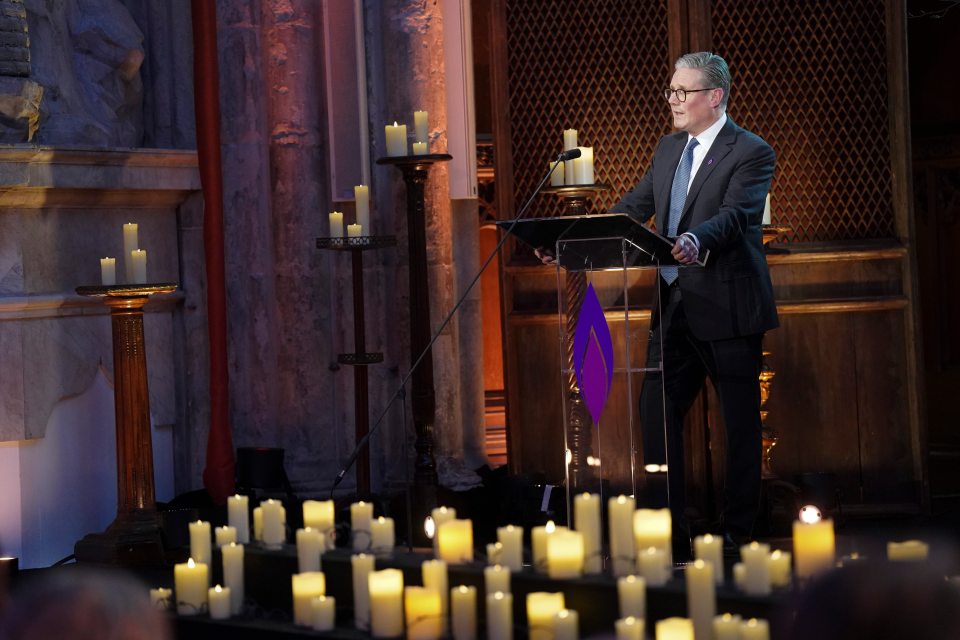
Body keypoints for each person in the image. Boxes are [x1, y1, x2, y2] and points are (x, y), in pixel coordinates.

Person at [608, 52, 778, 555]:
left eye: (683, 93)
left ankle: (736, 536)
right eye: (671, 92)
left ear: (714, 97)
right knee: (655, 416)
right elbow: (635, 207)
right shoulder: (667, 148)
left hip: (727, 305)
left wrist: (694, 240)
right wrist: (578, 236)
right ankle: (671, 536)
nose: (673, 102)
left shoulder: (751, 151)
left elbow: (736, 216)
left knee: (740, 426)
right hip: (672, 304)